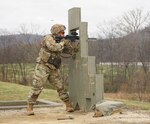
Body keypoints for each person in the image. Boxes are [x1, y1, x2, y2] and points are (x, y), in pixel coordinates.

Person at [27, 24, 74, 115]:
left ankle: (68, 105)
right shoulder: (48, 38)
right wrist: (63, 42)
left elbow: (69, 51)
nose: (63, 34)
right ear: (56, 32)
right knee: (37, 86)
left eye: (64, 33)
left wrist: (69, 43)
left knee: (60, 87)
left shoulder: (61, 41)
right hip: (43, 66)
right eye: (61, 32)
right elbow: (53, 47)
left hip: (53, 67)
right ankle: (30, 106)